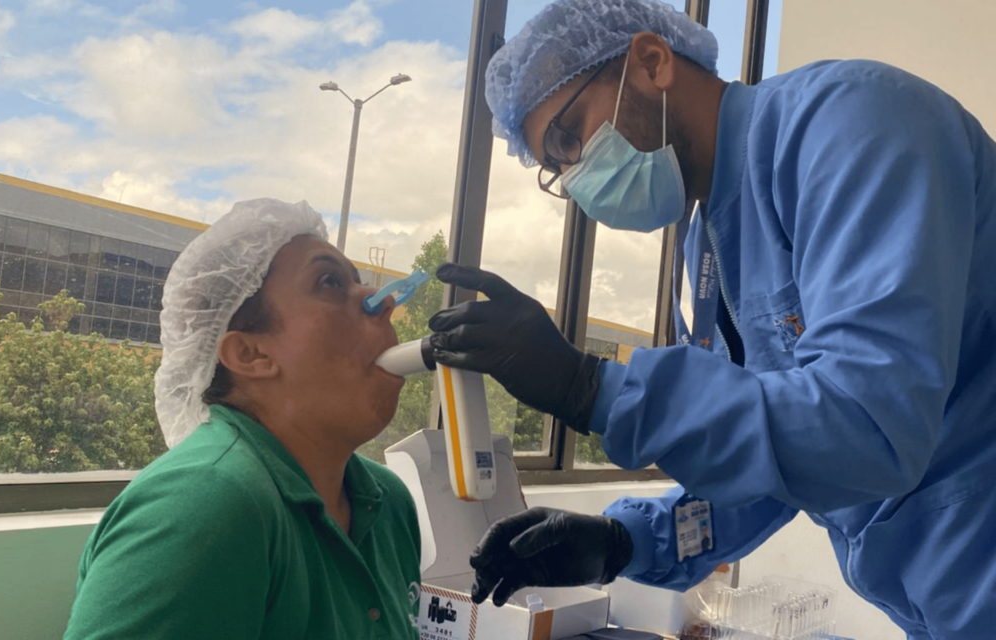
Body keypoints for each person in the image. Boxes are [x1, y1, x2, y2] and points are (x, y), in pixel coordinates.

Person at [425, 1, 996, 638]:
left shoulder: (856, 125)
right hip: (942, 604)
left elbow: (867, 428)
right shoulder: (706, 251)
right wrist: (627, 540)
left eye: (568, 136)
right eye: (556, 169)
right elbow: (778, 462)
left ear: (651, 62)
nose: (576, 175)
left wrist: (590, 389)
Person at [64, 199, 421, 640]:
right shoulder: (202, 508)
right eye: (329, 281)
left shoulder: (388, 502)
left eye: (359, 281)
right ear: (249, 354)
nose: (380, 301)